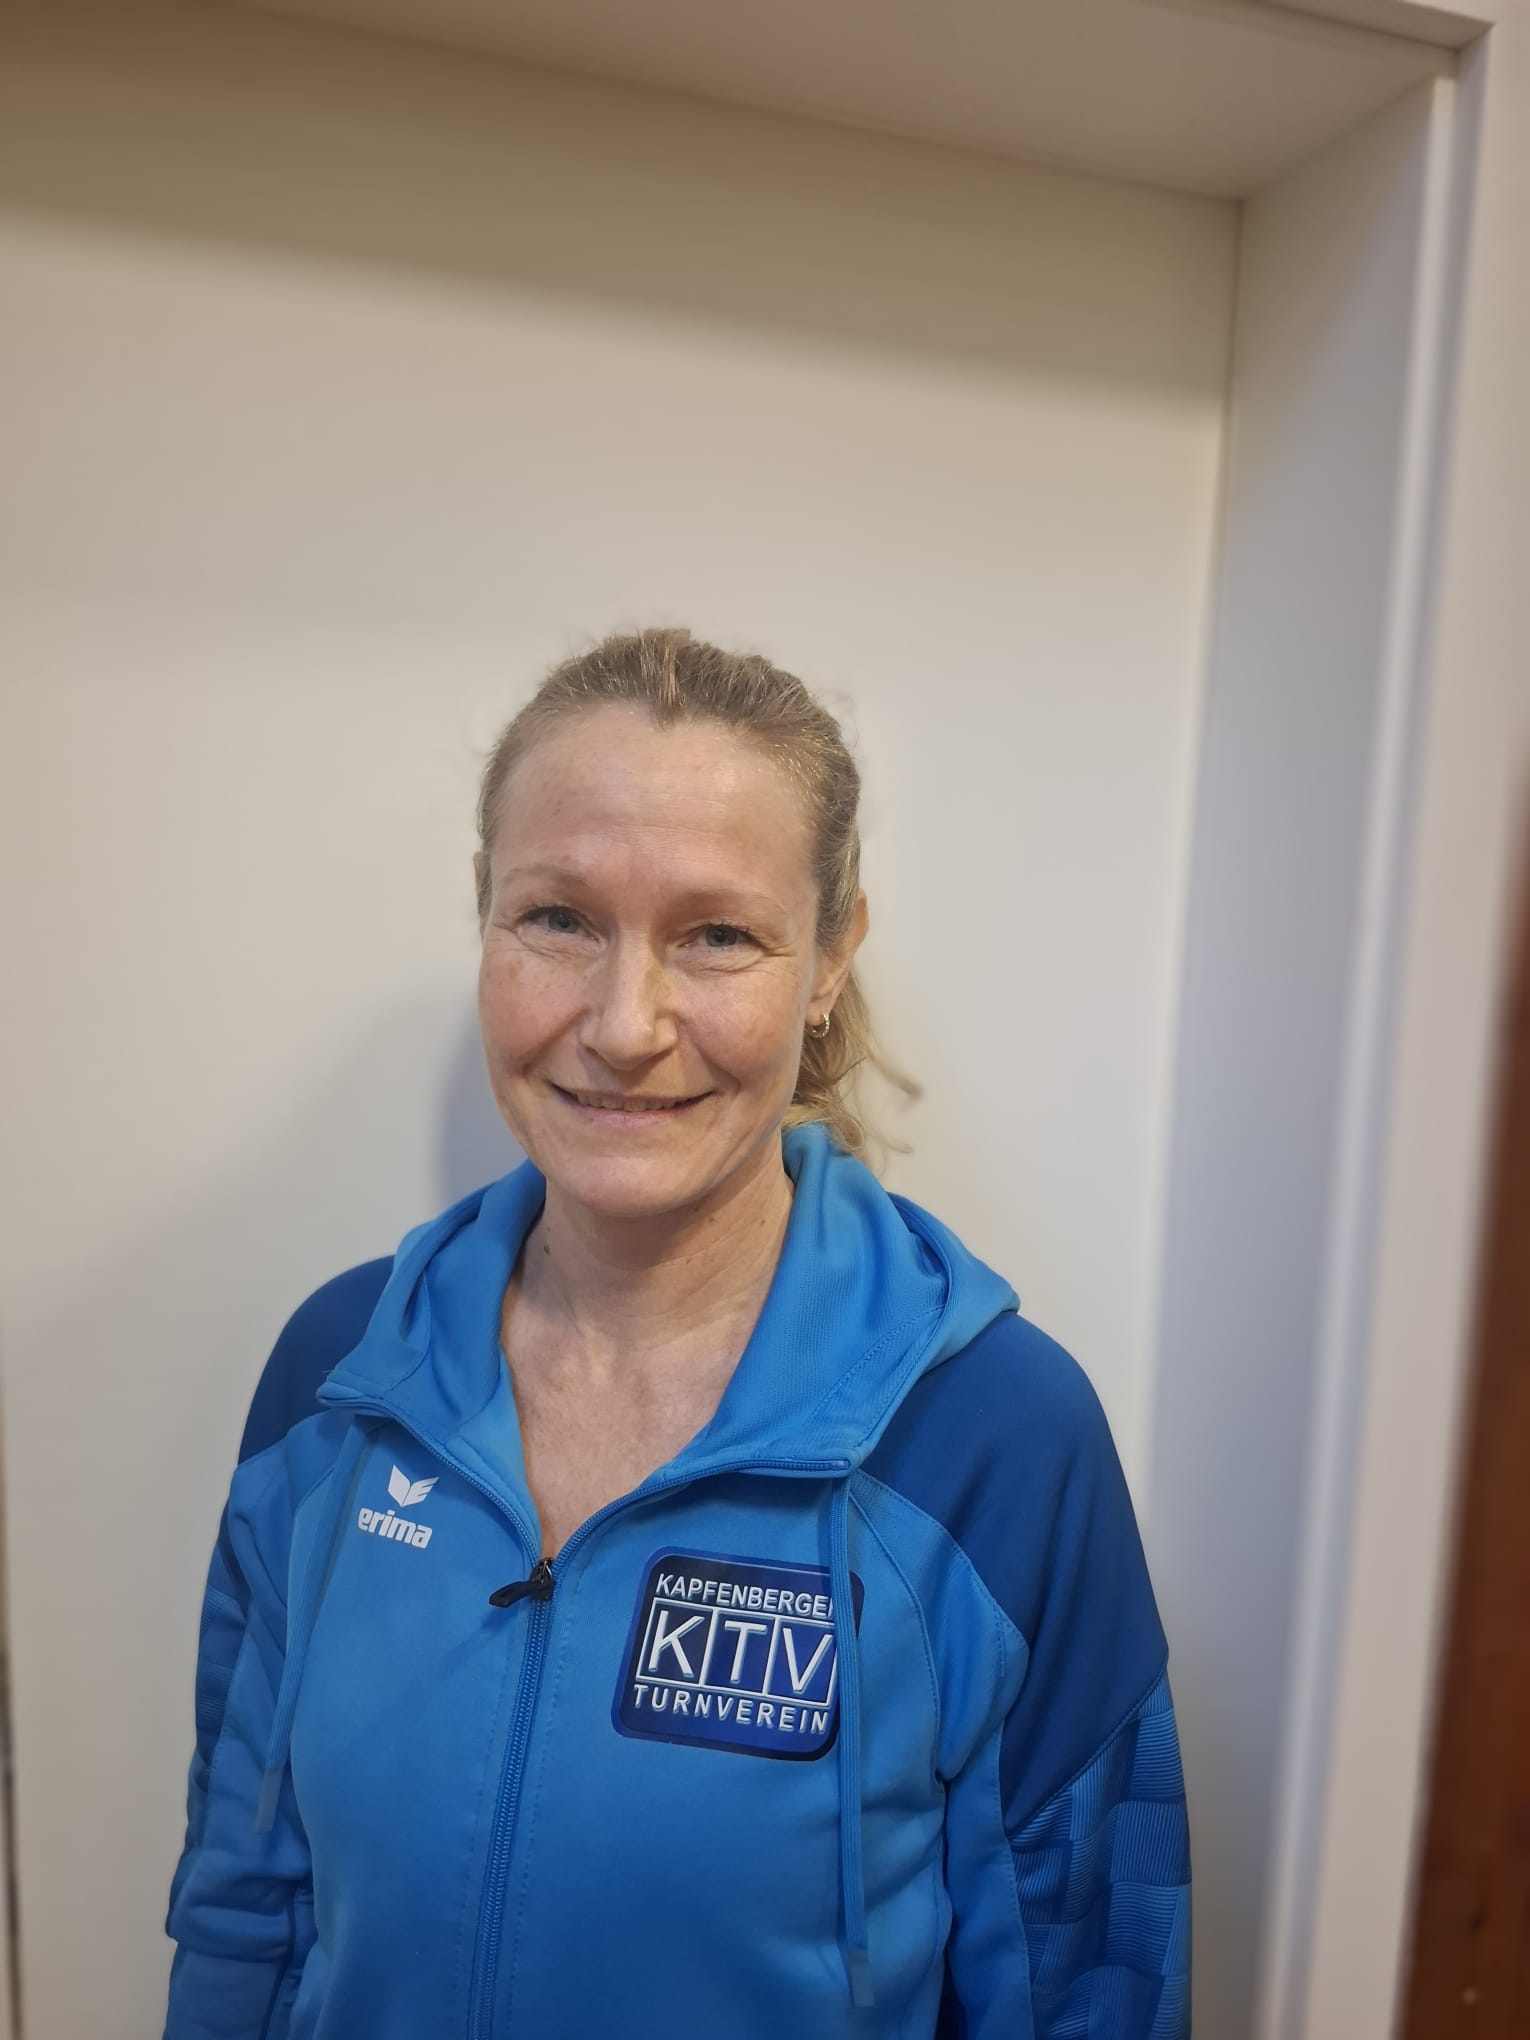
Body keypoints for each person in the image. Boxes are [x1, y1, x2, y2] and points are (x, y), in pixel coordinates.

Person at [163, 627, 1191, 2040]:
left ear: (829, 957)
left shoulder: (995, 1435)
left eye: (717, 935)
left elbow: (1085, 1991)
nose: (624, 1023)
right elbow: (244, 1905)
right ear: (484, 912)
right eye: (559, 919)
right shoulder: (339, 1376)